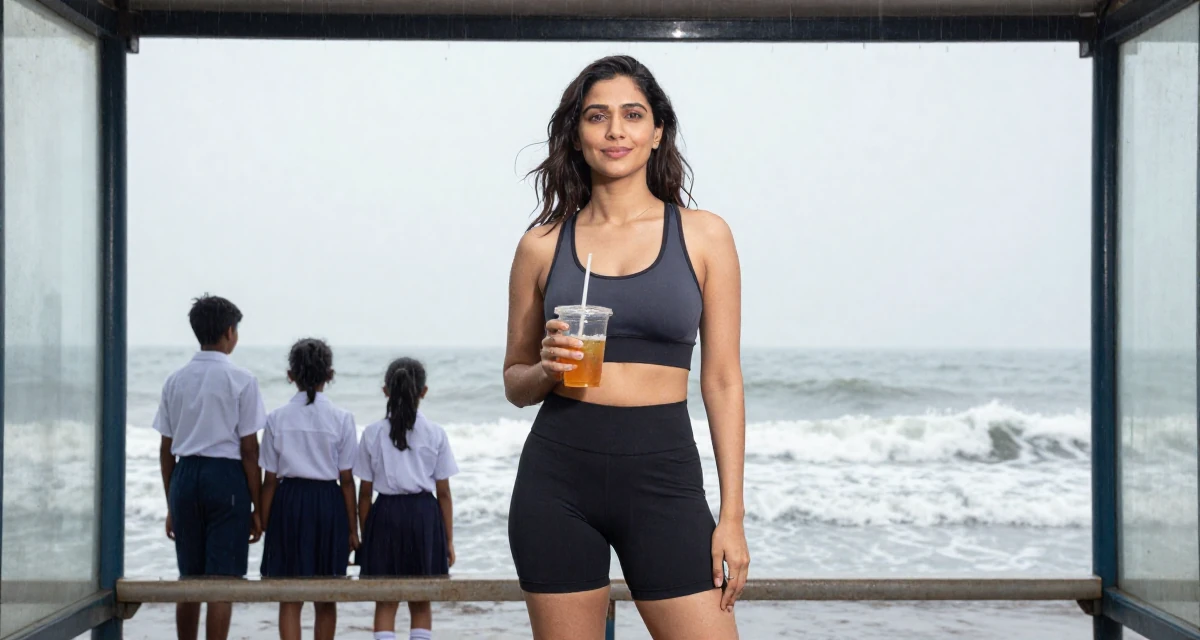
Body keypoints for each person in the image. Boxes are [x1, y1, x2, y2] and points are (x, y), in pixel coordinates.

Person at [503, 55, 749, 639]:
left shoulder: (704, 235)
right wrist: (545, 369)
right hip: (557, 478)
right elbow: (514, 382)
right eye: (597, 116)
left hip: (665, 478)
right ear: (577, 134)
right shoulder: (541, 245)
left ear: (657, 131)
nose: (616, 130)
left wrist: (732, 516)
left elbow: (722, 380)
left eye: (633, 115)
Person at [154, 294, 267, 640]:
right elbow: (250, 451)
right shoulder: (242, 380)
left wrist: (172, 504)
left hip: (185, 477)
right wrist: (258, 507)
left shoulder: (175, 380)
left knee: (189, 579)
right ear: (230, 332)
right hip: (226, 479)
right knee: (222, 582)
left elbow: (166, 450)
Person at [259, 338, 360, 640]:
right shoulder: (342, 418)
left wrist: (264, 521)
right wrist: (353, 528)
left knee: (289, 595)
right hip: (329, 505)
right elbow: (347, 480)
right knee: (326, 594)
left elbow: (269, 480)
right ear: (330, 375)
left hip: (288, 503)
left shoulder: (277, 418)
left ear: (291, 375)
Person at [354, 357, 459, 640]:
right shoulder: (435, 433)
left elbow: (364, 494)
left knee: (386, 600)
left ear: (386, 391)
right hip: (423, 516)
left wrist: (366, 535)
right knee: (421, 599)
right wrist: (448, 540)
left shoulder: (372, 433)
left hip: (385, 515)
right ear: (423, 391)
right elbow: (444, 493)